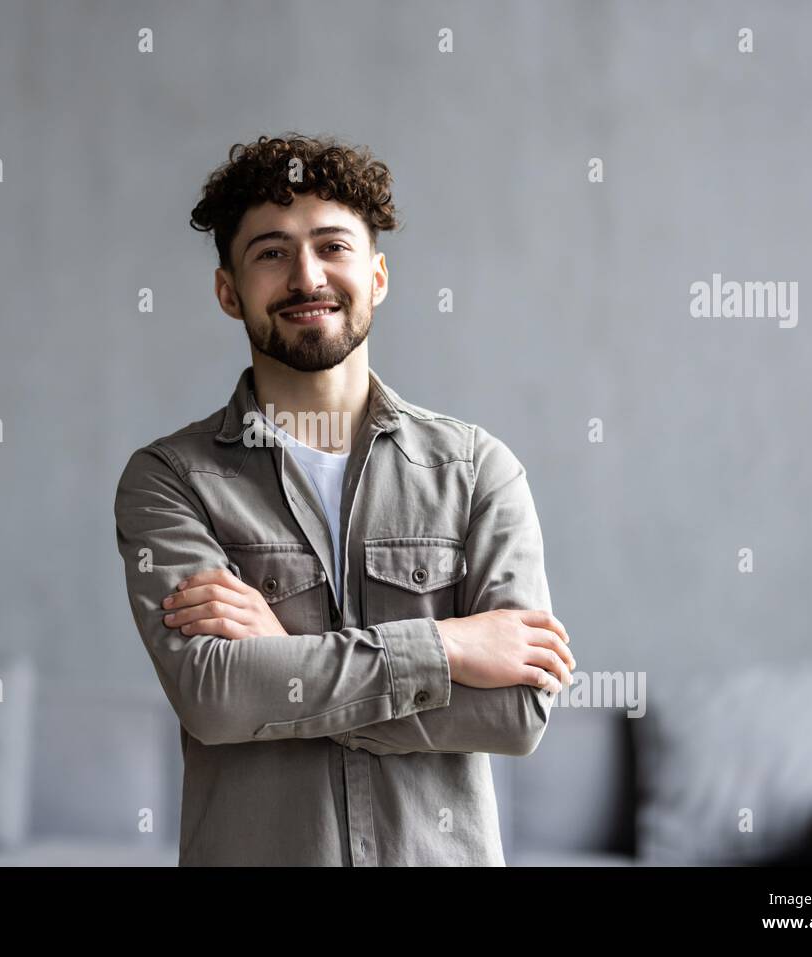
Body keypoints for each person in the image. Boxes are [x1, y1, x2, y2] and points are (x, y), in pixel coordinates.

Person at [113, 132, 576, 866]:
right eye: (271, 251)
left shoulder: (478, 469)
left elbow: (519, 711)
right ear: (228, 290)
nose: (306, 275)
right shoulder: (170, 480)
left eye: (333, 245)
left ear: (378, 275)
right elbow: (215, 698)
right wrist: (448, 647)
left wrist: (286, 667)